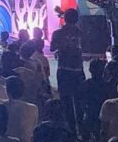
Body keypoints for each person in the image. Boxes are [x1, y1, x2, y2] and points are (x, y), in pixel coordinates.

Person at [48, 8, 83, 138]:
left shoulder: (58, 33)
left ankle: (70, 129)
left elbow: (52, 48)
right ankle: (81, 128)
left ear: (65, 18)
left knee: (66, 100)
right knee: (79, 100)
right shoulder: (80, 33)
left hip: (63, 70)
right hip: (78, 70)